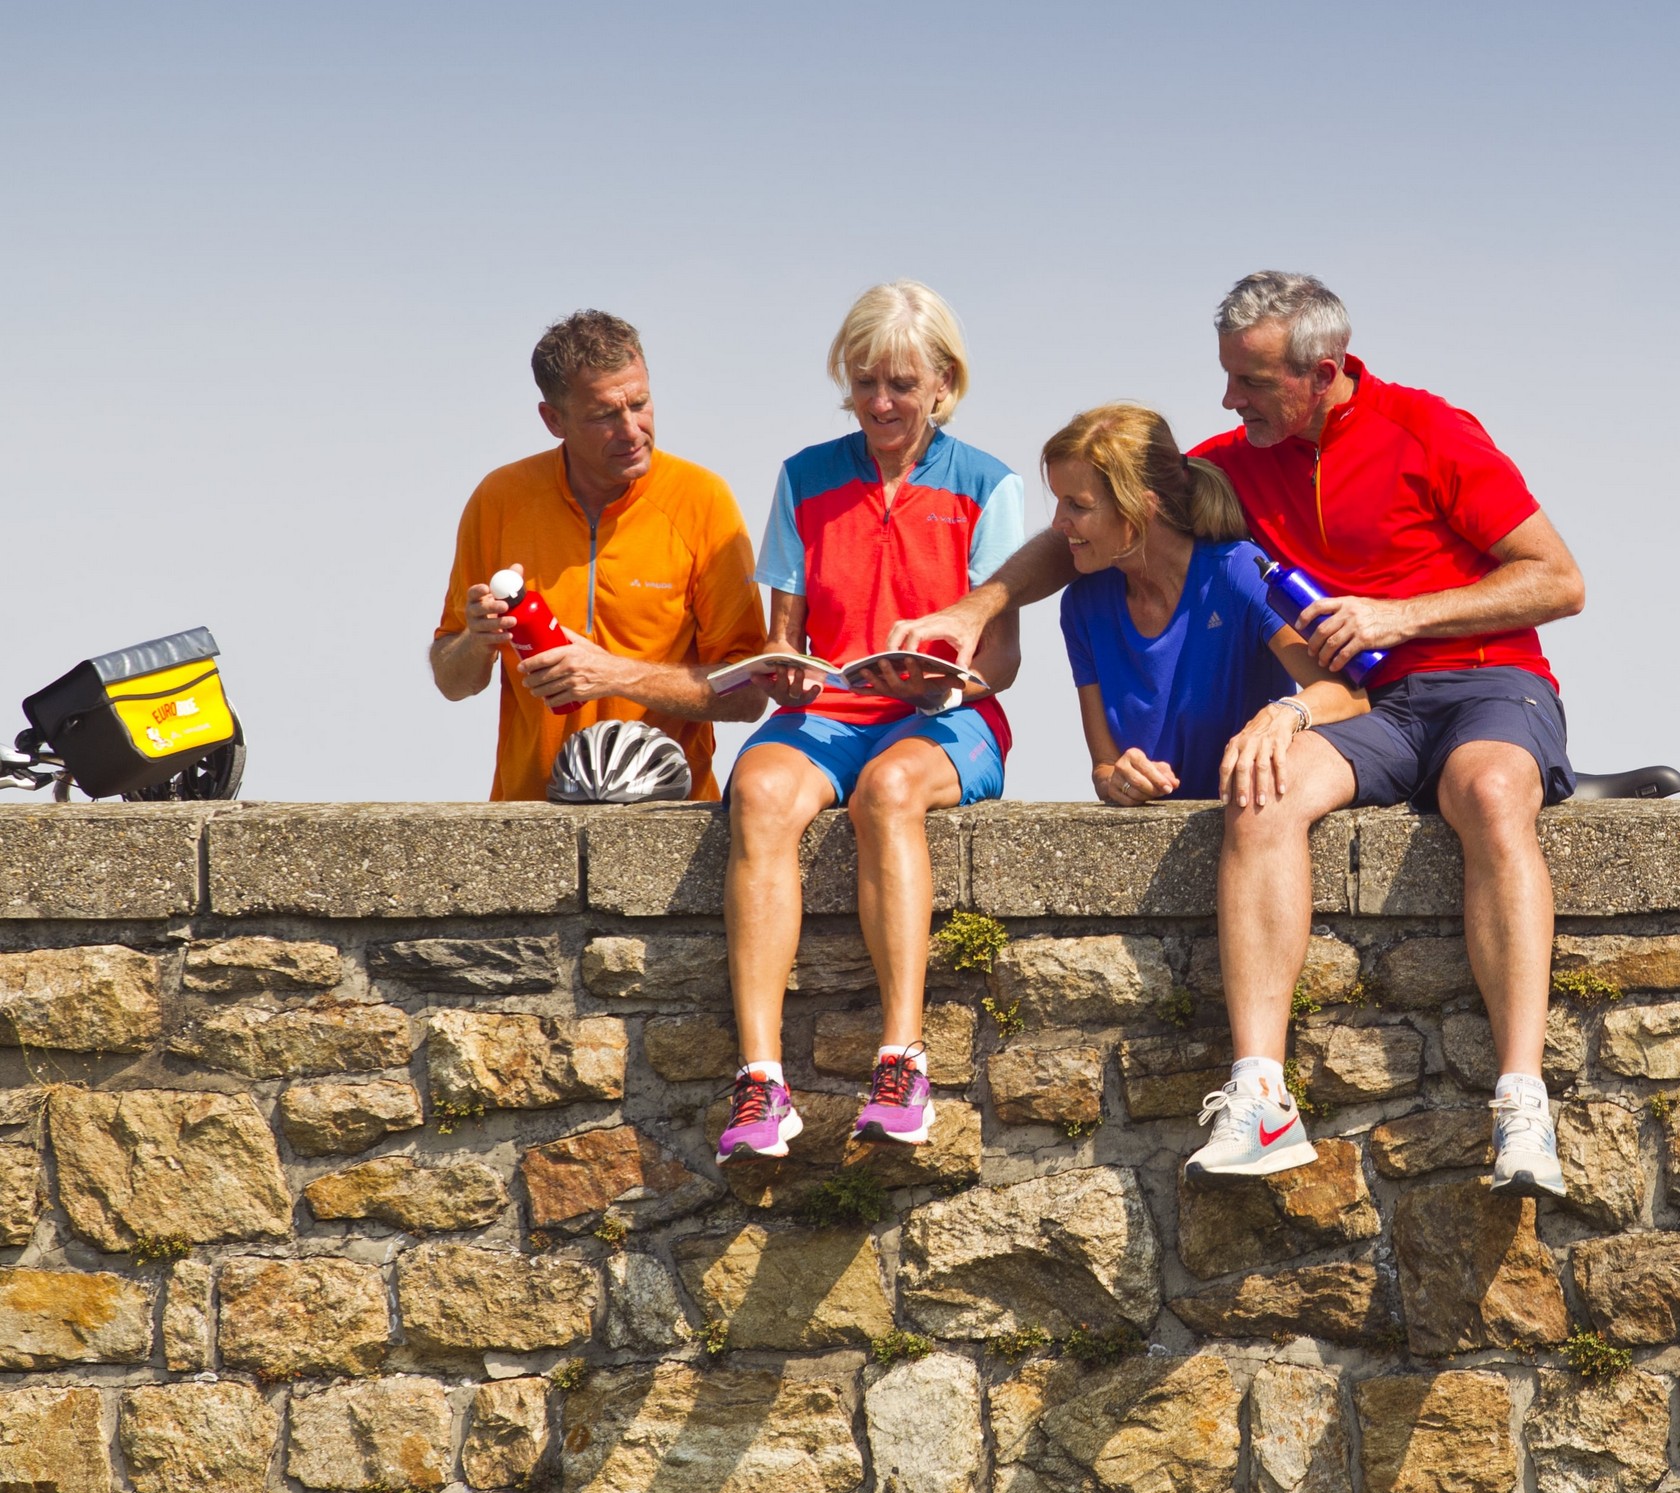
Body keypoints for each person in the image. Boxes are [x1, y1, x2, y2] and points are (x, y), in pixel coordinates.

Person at [896, 272, 1585, 1195]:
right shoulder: (1234, 459)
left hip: (1484, 683)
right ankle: (1261, 1097)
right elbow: (1090, 527)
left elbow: (1558, 580)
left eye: (1251, 382)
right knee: (1257, 791)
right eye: (1229, 378)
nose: (1229, 400)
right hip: (1366, 710)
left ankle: (1520, 1104)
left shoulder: (1430, 430)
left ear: (1323, 371)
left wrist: (1396, 619)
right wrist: (978, 605)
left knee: (1489, 793)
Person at [716, 281, 1024, 1163]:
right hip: (832, 709)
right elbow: (784, 639)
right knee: (761, 790)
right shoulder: (804, 476)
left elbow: (1000, 662)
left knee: (889, 792)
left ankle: (903, 1060)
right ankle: (761, 1080)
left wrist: (941, 684)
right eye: (863, 383)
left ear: (942, 383)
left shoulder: (988, 485)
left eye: (899, 382)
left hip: (947, 718)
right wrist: (784, 673)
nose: (880, 402)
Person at [432, 309, 768, 801]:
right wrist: (477, 641)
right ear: (554, 420)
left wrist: (614, 674)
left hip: (670, 818)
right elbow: (451, 680)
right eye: (604, 416)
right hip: (529, 819)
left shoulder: (703, 499)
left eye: (640, 403)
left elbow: (749, 694)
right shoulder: (500, 498)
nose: (632, 430)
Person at [1045, 403, 1366, 826]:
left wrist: (1283, 714)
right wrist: (1119, 779)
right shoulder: (1082, 605)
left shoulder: (1236, 572)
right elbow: (1104, 767)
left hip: (1250, 825)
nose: (1056, 523)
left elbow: (1347, 693)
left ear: (1141, 507)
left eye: (1077, 505)